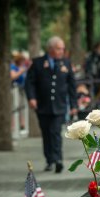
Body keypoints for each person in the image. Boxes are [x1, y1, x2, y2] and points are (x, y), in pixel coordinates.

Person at [25, 36, 78, 173]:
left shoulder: (65, 63)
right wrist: (32, 98)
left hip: (59, 105)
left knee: (55, 131)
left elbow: (72, 85)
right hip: (42, 105)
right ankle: (49, 160)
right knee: (46, 133)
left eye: (62, 48)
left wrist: (73, 105)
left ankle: (58, 159)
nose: (62, 51)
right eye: (59, 48)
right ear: (50, 49)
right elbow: (29, 82)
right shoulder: (37, 63)